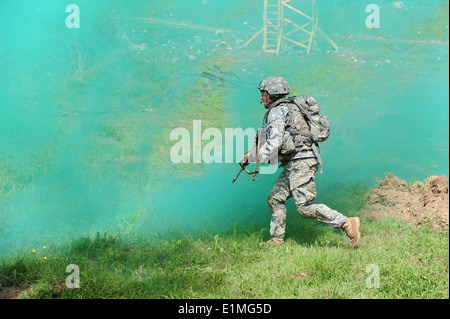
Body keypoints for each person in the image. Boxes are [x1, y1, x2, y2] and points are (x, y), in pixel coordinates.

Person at [240, 76, 361, 248]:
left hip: (301, 162)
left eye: (264, 94)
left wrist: (255, 157)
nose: (261, 98)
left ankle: (346, 222)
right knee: (275, 199)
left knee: (304, 207)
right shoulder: (292, 107)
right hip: (296, 162)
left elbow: (275, 142)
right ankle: (276, 239)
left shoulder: (277, 111)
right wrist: (250, 155)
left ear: (272, 94)